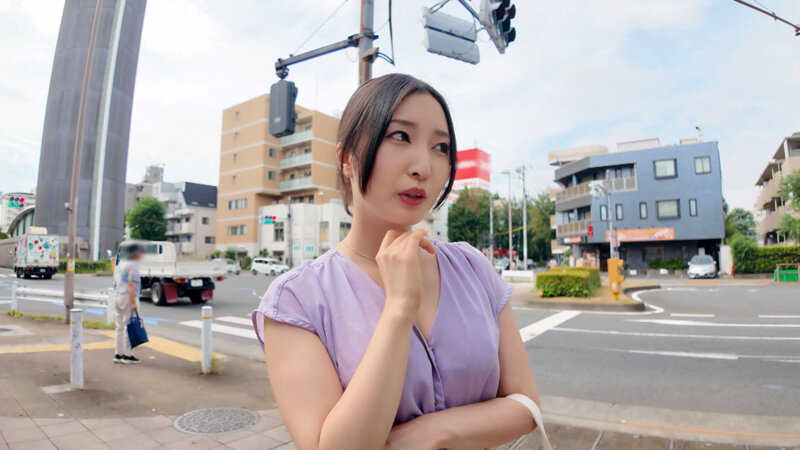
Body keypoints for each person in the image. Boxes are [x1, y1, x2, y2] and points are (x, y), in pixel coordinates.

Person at [251, 74, 544, 449]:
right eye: (401, 136)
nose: (424, 167)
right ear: (346, 159)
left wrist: (432, 432)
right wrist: (399, 309)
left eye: (440, 147)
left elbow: (526, 405)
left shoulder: (472, 266)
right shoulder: (297, 299)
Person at [113, 243, 143, 364]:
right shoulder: (133, 265)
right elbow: (131, 284)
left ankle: (118, 354)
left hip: (117, 296)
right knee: (129, 325)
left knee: (119, 326)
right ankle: (128, 355)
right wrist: (133, 302)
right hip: (127, 296)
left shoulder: (120, 263)